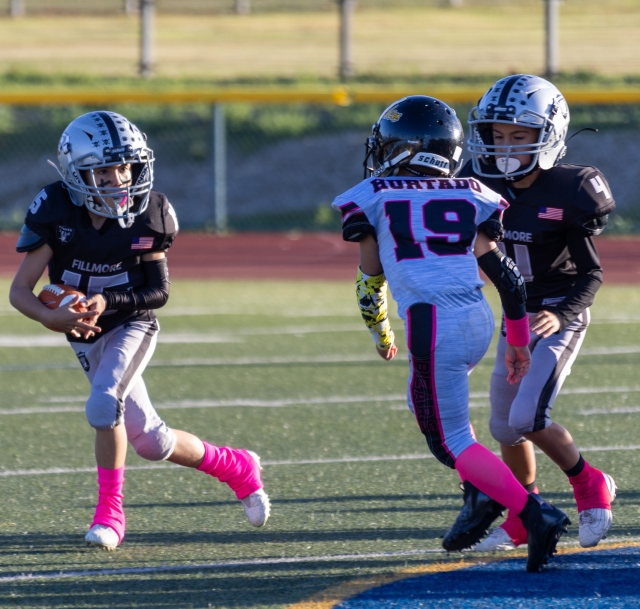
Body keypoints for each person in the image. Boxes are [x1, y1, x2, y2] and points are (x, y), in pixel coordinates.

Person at [9, 111, 270, 551]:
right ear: (78, 173)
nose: (119, 178)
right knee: (151, 441)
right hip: (84, 331)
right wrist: (49, 317)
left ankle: (110, 514)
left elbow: (157, 291)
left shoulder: (149, 213)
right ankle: (237, 466)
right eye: (106, 169)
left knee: (103, 401)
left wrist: (107, 302)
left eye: (126, 166)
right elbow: (20, 290)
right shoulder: (57, 209)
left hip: (132, 322)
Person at [332, 95, 570, 573]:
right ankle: (484, 494)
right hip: (477, 319)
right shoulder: (473, 193)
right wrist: (518, 338)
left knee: (450, 441)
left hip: (431, 323)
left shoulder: (371, 196)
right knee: (427, 409)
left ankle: (532, 512)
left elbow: (370, 280)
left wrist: (380, 331)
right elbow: (505, 276)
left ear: (404, 147)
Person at [447, 74, 616, 553]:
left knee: (527, 416)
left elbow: (592, 275)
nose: (505, 147)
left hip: (559, 313)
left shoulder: (570, 189)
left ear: (549, 133)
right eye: (497, 135)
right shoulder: (480, 188)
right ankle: (527, 513)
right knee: (503, 426)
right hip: (516, 318)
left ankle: (589, 483)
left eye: (519, 136)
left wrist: (561, 316)